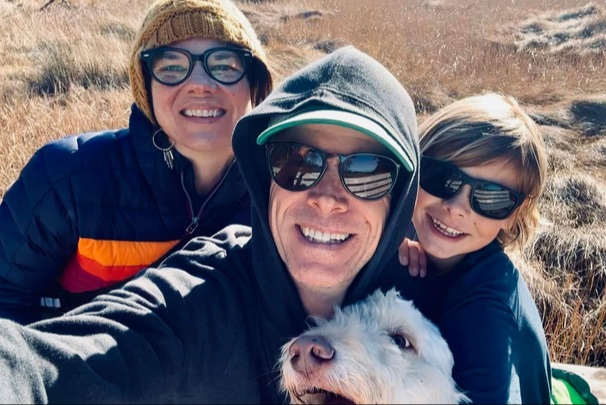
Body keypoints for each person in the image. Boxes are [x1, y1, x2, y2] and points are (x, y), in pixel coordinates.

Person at [0, 45, 419, 403]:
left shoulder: (422, 286)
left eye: (367, 171)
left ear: (399, 200)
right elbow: (54, 366)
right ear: (265, 181)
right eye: (297, 163)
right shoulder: (201, 298)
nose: (327, 198)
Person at [0, 0, 273, 324]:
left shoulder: (282, 194)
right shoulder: (65, 179)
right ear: (146, 86)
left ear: (256, 83)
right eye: (172, 67)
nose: (200, 84)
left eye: (225, 65)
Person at [394, 93, 552, 404]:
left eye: (491, 198)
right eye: (441, 178)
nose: (456, 208)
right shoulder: (417, 234)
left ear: (514, 215)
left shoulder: (485, 314)